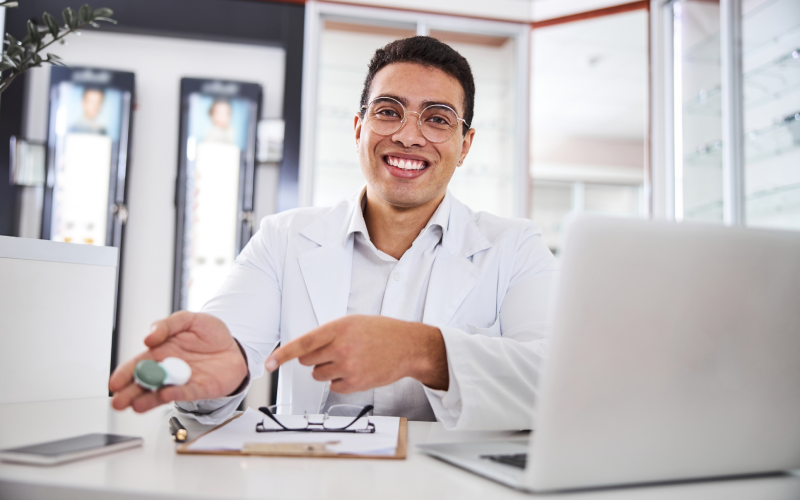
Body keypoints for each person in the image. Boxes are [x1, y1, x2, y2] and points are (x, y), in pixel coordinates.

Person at [109, 36, 557, 431]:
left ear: (465, 145)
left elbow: (557, 381)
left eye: (437, 119)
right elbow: (228, 354)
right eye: (388, 111)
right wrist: (213, 380)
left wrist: (424, 351)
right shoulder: (284, 237)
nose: (408, 135)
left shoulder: (515, 248)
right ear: (360, 128)